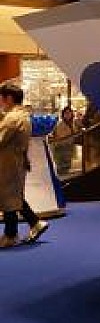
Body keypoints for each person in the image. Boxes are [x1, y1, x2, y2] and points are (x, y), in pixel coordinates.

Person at [0, 83, 49, 248]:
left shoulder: (13, 118)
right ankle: (35, 223)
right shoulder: (22, 116)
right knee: (14, 197)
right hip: (15, 161)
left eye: (1, 98)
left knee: (8, 198)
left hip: (9, 163)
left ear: (9, 98)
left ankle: (11, 235)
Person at [49, 105, 80, 175]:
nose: (68, 115)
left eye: (69, 113)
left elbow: (74, 133)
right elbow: (61, 137)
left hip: (68, 147)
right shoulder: (60, 124)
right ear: (63, 114)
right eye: (66, 113)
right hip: (61, 148)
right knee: (62, 166)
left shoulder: (71, 123)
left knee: (67, 165)